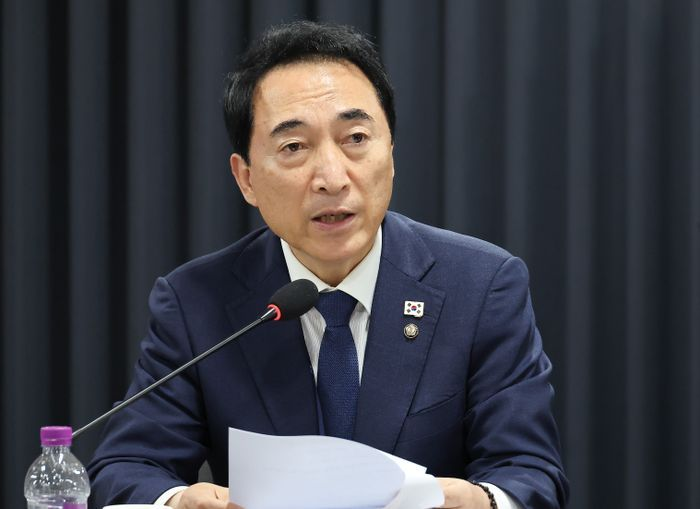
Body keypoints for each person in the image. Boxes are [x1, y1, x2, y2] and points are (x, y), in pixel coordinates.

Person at [87, 21, 569, 509]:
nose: (332, 178)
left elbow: (529, 471)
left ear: (391, 154)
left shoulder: (481, 286)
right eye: (294, 147)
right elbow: (127, 466)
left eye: (355, 137)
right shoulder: (197, 302)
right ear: (246, 179)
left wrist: (485, 500)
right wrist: (176, 501)